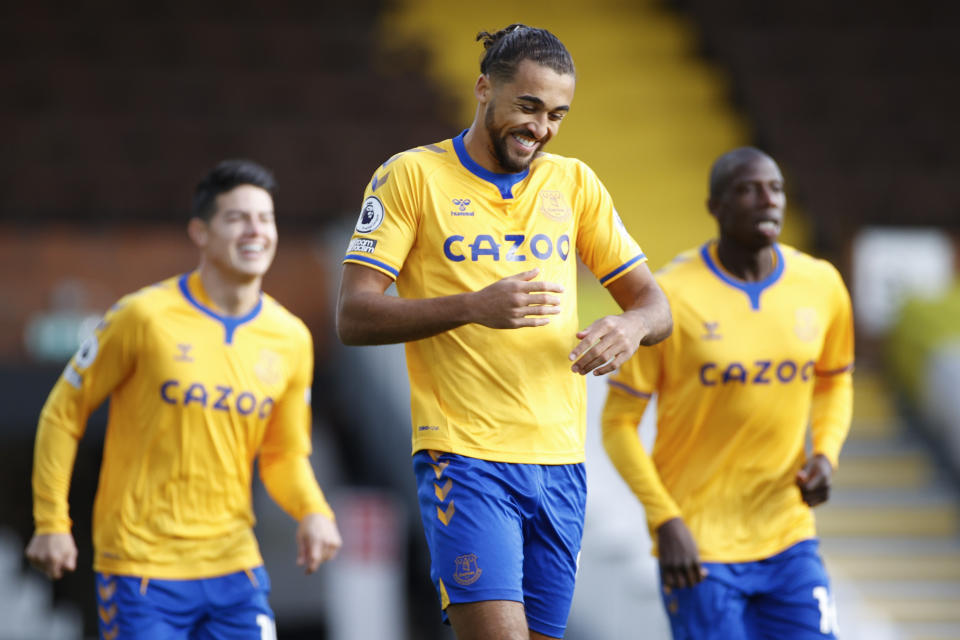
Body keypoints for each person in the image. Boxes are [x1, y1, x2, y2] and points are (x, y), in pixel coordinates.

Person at [336, 23, 672, 640]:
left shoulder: (573, 183)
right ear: (484, 88)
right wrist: (471, 306)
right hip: (464, 457)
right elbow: (353, 316)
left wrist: (630, 326)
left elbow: (655, 304)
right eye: (528, 107)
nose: (541, 129)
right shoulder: (409, 177)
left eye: (556, 115)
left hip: (562, 462)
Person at [26, 159, 342, 639]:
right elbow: (62, 412)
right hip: (141, 568)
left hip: (235, 568)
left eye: (266, 218)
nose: (255, 230)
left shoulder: (291, 338)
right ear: (200, 232)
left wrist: (313, 512)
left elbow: (283, 454)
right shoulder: (143, 317)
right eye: (237, 218)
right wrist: (51, 520)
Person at [602, 147, 854, 639]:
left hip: (789, 536)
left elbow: (833, 380)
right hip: (699, 546)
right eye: (747, 189)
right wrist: (665, 520)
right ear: (714, 206)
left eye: (776, 188)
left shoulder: (821, 285)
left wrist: (825, 454)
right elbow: (616, 425)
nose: (767, 200)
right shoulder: (669, 298)